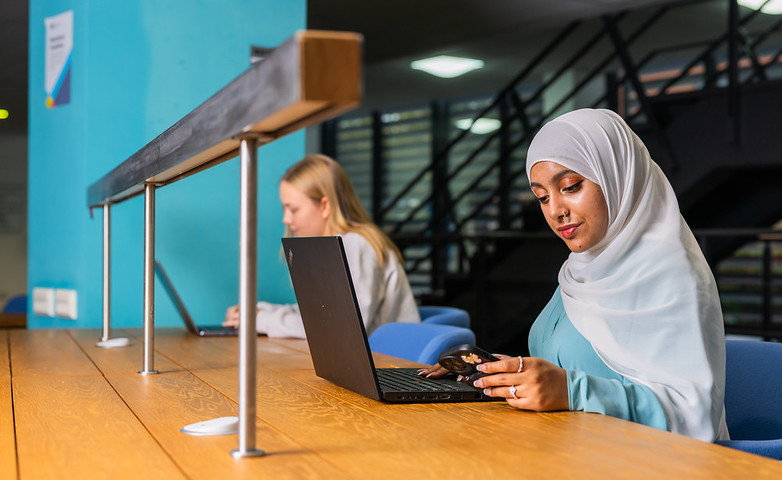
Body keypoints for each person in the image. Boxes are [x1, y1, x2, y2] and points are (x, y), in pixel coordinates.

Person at [421, 108, 728, 443]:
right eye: (542, 197)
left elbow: (694, 417)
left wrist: (572, 391)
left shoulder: (675, 278)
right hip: (571, 450)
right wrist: (500, 372)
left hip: (647, 473)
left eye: (570, 186)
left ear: (616, 176)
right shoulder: (580, 271)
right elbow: (580, 368)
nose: (555, 210)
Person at [224, 154, 420, 337]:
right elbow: (318, 315)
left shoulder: (356, 245)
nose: (286, 219)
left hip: (391, 363)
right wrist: (257, 311)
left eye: (293, 209)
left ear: (325, 206)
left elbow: (343, 327)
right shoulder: (327, 248)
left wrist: (261, 320)